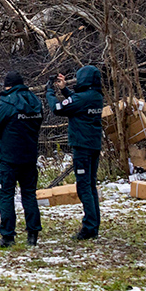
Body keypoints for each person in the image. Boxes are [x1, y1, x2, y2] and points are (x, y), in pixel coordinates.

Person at [0, 71, 45, 247]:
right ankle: (33, 234)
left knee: (5, 196)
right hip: (29, 157)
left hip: (9, 159)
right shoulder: (35, 102)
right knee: (29, 195)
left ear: (7, 86)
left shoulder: (7, 104)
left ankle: (8, 236)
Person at [48, 65, 106, 240]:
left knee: (83, 186)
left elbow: (58, 108)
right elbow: (76, 101)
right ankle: (94, 225)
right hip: (94, 145)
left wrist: (50, 93)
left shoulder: (83, 98)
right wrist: (64, 89)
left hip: (82, 146)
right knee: (90, 185)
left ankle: (89, 227)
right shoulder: (96, 96)